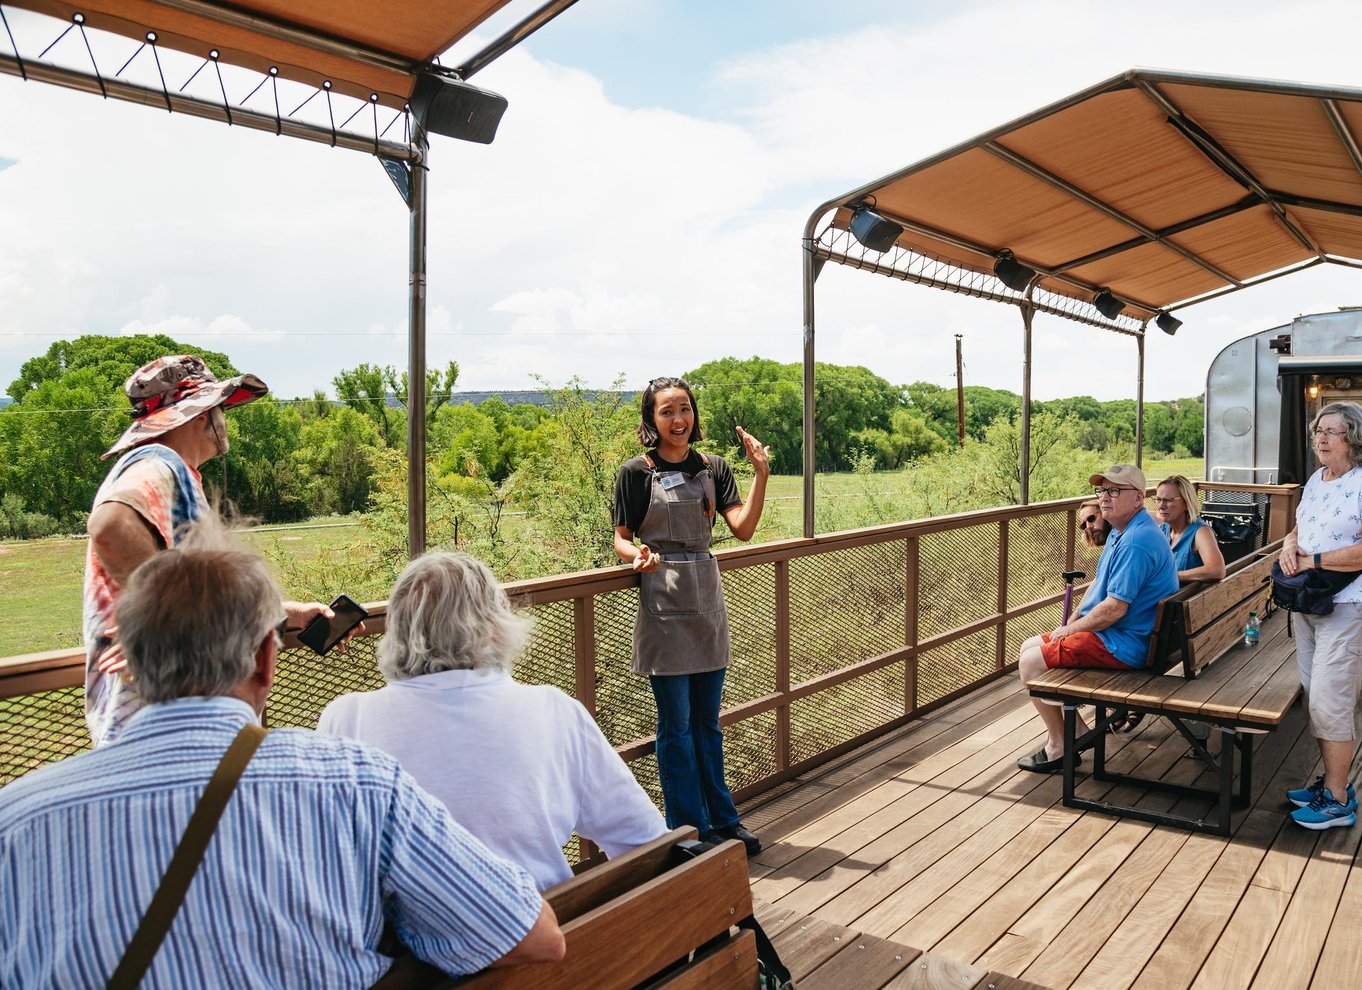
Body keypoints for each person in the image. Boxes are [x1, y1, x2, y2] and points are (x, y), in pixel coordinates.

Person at [0, 515, 564, 988]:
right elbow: (533, 937)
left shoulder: (14, 820)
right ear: (266, 662)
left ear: (133, 663)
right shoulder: (359, 784)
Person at [318, 550, 668, 889]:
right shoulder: (552, 710)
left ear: (398, 629)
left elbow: (327, 860)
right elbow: (644, 840)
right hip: (547, 937)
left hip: (399, 946)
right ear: (492, 625)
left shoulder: (346, 719)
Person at [83, 354, 342, 746]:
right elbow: (110, 527)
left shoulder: (171, 471)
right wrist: (168, 621)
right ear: (201, 415)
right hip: (161, 718)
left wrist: (285, 614)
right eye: (220, 409)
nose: (224, 421)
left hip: (159, 717)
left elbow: (202, 600)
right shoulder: (159, 461)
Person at [612, 377, 769, 855]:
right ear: (651, 421)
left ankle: (724, 820)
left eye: (684, 409)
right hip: (661, 599)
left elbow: (741, 529)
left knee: (708, 722)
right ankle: (687, 830)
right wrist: (634, 554)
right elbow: (619, 536)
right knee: (674, 725)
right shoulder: (635, 473)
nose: (678, 420)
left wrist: (760, 472)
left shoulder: (713, 467)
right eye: (666, 412)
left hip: (706, 597)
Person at [1015, 463, 1179, 773]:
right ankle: (1076, 731)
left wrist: (1069, 631)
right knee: (1028, 645)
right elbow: (1097, 592)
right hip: (1127, 634)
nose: (1105, 497)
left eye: (1115, 490)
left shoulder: (1136, 541)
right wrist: (1067, 627)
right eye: (1102, 490)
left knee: (1031, 663)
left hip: (1127, 644)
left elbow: (1115, 609)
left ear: (1138, 498)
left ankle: (1059, 745)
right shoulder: (1123, 531)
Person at [1279, 401, 1362, 830]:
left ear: (1353, 438)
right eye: (1318, 431)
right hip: (1310, 605)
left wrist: (1312, 561)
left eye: (1333, 431)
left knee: (1333, 700)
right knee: (1318, 693)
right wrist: (1289, 545)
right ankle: (1333, 783)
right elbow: (1300, 525)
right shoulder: (1316, 479)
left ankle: (1338, 800)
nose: (1322, 439)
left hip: (1348, 606)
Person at [1153, 475, 1225, 583]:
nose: (1161, 506)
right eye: (1158, 500)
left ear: (1186, 503)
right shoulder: (1163, 530)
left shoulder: (1201, 532)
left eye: (1168, 500)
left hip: (1182, 598)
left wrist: (1171, 576)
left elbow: (1216, 570)